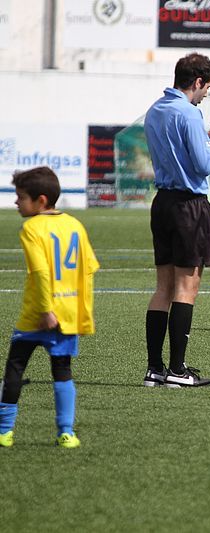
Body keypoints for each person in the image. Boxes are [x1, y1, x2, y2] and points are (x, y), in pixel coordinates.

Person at [142, 52, 210, 388]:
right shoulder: (190, 114)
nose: (207, 92)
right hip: (189, 205)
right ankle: (178, 371)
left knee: (163, 287)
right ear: (196, 82)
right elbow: (204, 164)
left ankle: (154, 369)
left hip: (162, 202)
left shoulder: (155, 110)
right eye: (207, 86)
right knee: (187, 287)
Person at [0, 167, 99, 448]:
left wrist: (46, 309)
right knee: (63, 371)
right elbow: (89, 267)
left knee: (14, 369)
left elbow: (41, 272)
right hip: (67, 316)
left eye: (20, 197)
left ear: (41, 201)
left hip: (36, 315)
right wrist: (78, 309)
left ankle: (4, 432)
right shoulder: (75, 225)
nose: (16, 202)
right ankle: (66, 432)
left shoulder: (31, 228)